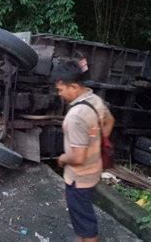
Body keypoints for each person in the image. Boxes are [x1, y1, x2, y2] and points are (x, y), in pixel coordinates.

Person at [51, 62, 115, 242]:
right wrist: (96, 143)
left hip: (79, 178)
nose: (59, 94)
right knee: (83, 215)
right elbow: (110, 121)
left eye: (61, 89)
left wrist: (62, 159)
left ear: (74, 86)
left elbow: (78, 158)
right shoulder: (94, 99)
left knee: (84, 221)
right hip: (94, 170)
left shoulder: (76, 116)